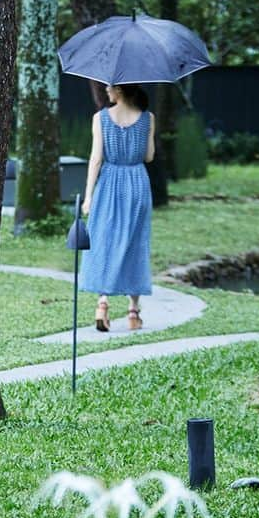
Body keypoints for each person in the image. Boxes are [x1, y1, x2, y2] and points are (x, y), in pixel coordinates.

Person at [80, 83, 155, 332]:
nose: (105, 89)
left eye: (109, 86)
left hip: (109, 183)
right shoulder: (147, 118)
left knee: (104, 240)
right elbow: (149, 156)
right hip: (137, 183)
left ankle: (103, 303)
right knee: (135, 242)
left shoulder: (100, 118)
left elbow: (96, 159)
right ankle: (133, 312)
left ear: (120, 90)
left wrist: (88, 197)